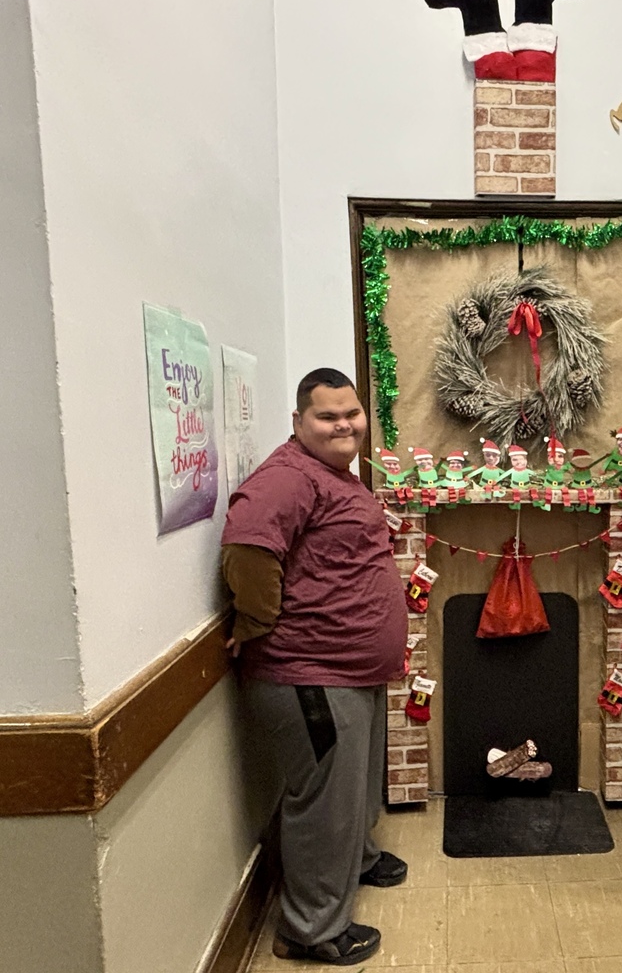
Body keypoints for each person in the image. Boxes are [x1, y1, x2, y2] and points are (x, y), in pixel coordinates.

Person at [220, 368, 409, 965]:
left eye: (351, 413)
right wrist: (254, 624)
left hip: (350, 669)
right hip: (312, 672)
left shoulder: (333, 475)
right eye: (327, 416)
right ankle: (310, 930)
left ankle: (358, 861)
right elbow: (249, 550)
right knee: (323, 798)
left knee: (350, 787)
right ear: (299, 421)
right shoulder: (286, 478)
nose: (344, 424)